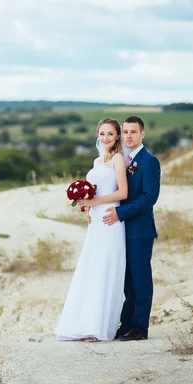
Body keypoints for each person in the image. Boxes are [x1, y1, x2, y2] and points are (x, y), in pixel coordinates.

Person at [54, 117, 129, 342]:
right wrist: (86, 206)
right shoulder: (98, 161)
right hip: (95, 221)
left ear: (117, 136)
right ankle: (85, 324)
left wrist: (95, 204)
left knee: (105, 269)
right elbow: (95, 192)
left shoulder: (118, 158)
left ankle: (99, 328)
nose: (105, 137)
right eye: (102, 133)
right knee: (92, 268)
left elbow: (122, 193)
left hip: (110, 219)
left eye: (110, 134)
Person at [102, 116, 161, 341]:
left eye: (133, 132)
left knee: (140, 279)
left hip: (139, 230)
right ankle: (126, 324)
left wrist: (121, 213)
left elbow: (149, 197)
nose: (128, 136)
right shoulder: (120, 159)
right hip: (119, 231)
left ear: (142, 134)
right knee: (126, 280)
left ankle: (140, 327)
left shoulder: (149, 161)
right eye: (125, 132)